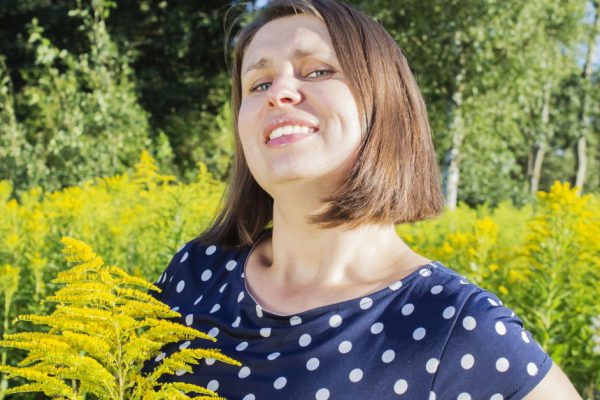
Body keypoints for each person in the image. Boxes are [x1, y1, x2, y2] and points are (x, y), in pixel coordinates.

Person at [143, 0, 582, 398]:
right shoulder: (195, 272)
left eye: (316, 71)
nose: (278, 92)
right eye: (258, 84)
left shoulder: (455, 327)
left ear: (384, 102)